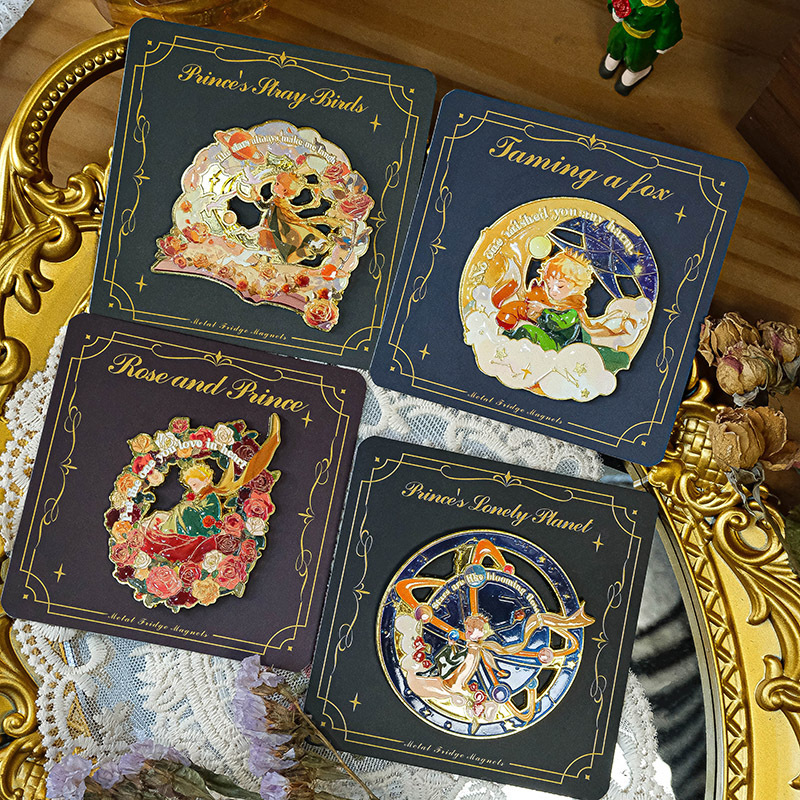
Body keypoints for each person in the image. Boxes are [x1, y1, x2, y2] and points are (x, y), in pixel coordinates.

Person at [492, 248, 631, 373]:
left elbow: (558, 323)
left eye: (560, 286)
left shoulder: (573, 311)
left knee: (528, 330)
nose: (552, 291)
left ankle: (509, 352)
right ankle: (504, 346)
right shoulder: (554, 305)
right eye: (549, 285)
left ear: (576, 287)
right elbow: (545, 322)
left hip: (561, 347)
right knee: (523, 330)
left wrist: (543, 311)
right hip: (551, 342)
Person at [599, 0, 683, 96]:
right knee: (615, 44)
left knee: (637, 57)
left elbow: (670, 27)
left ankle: (635, 72)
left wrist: (664, 43)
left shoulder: (668, 9)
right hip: (624, 29)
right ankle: (614, 56)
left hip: (643, 39)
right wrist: (616, 9)